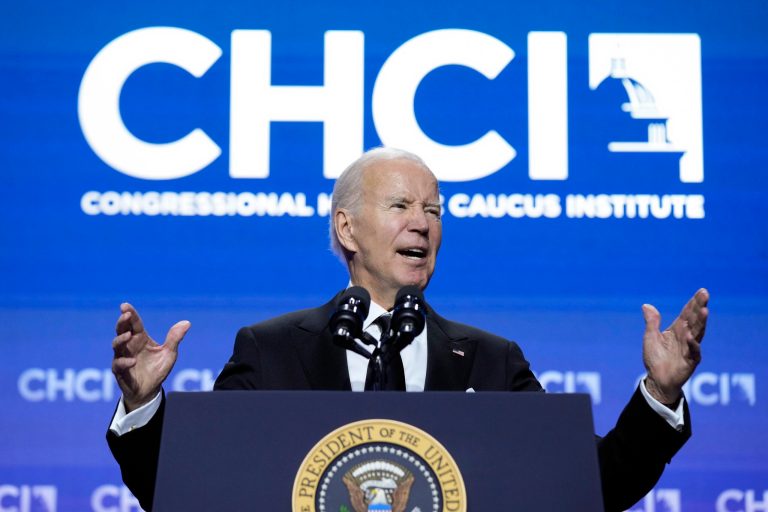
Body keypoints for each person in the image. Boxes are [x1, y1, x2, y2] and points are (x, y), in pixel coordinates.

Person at [108, 147, 709, 512]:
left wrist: (659, 394)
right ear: (347, 229)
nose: (422, 223)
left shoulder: (491, 360)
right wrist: (142, 404)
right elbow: (191, 489)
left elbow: (586, 487)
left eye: (434, 210)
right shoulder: (269, 350)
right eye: (400, 207)